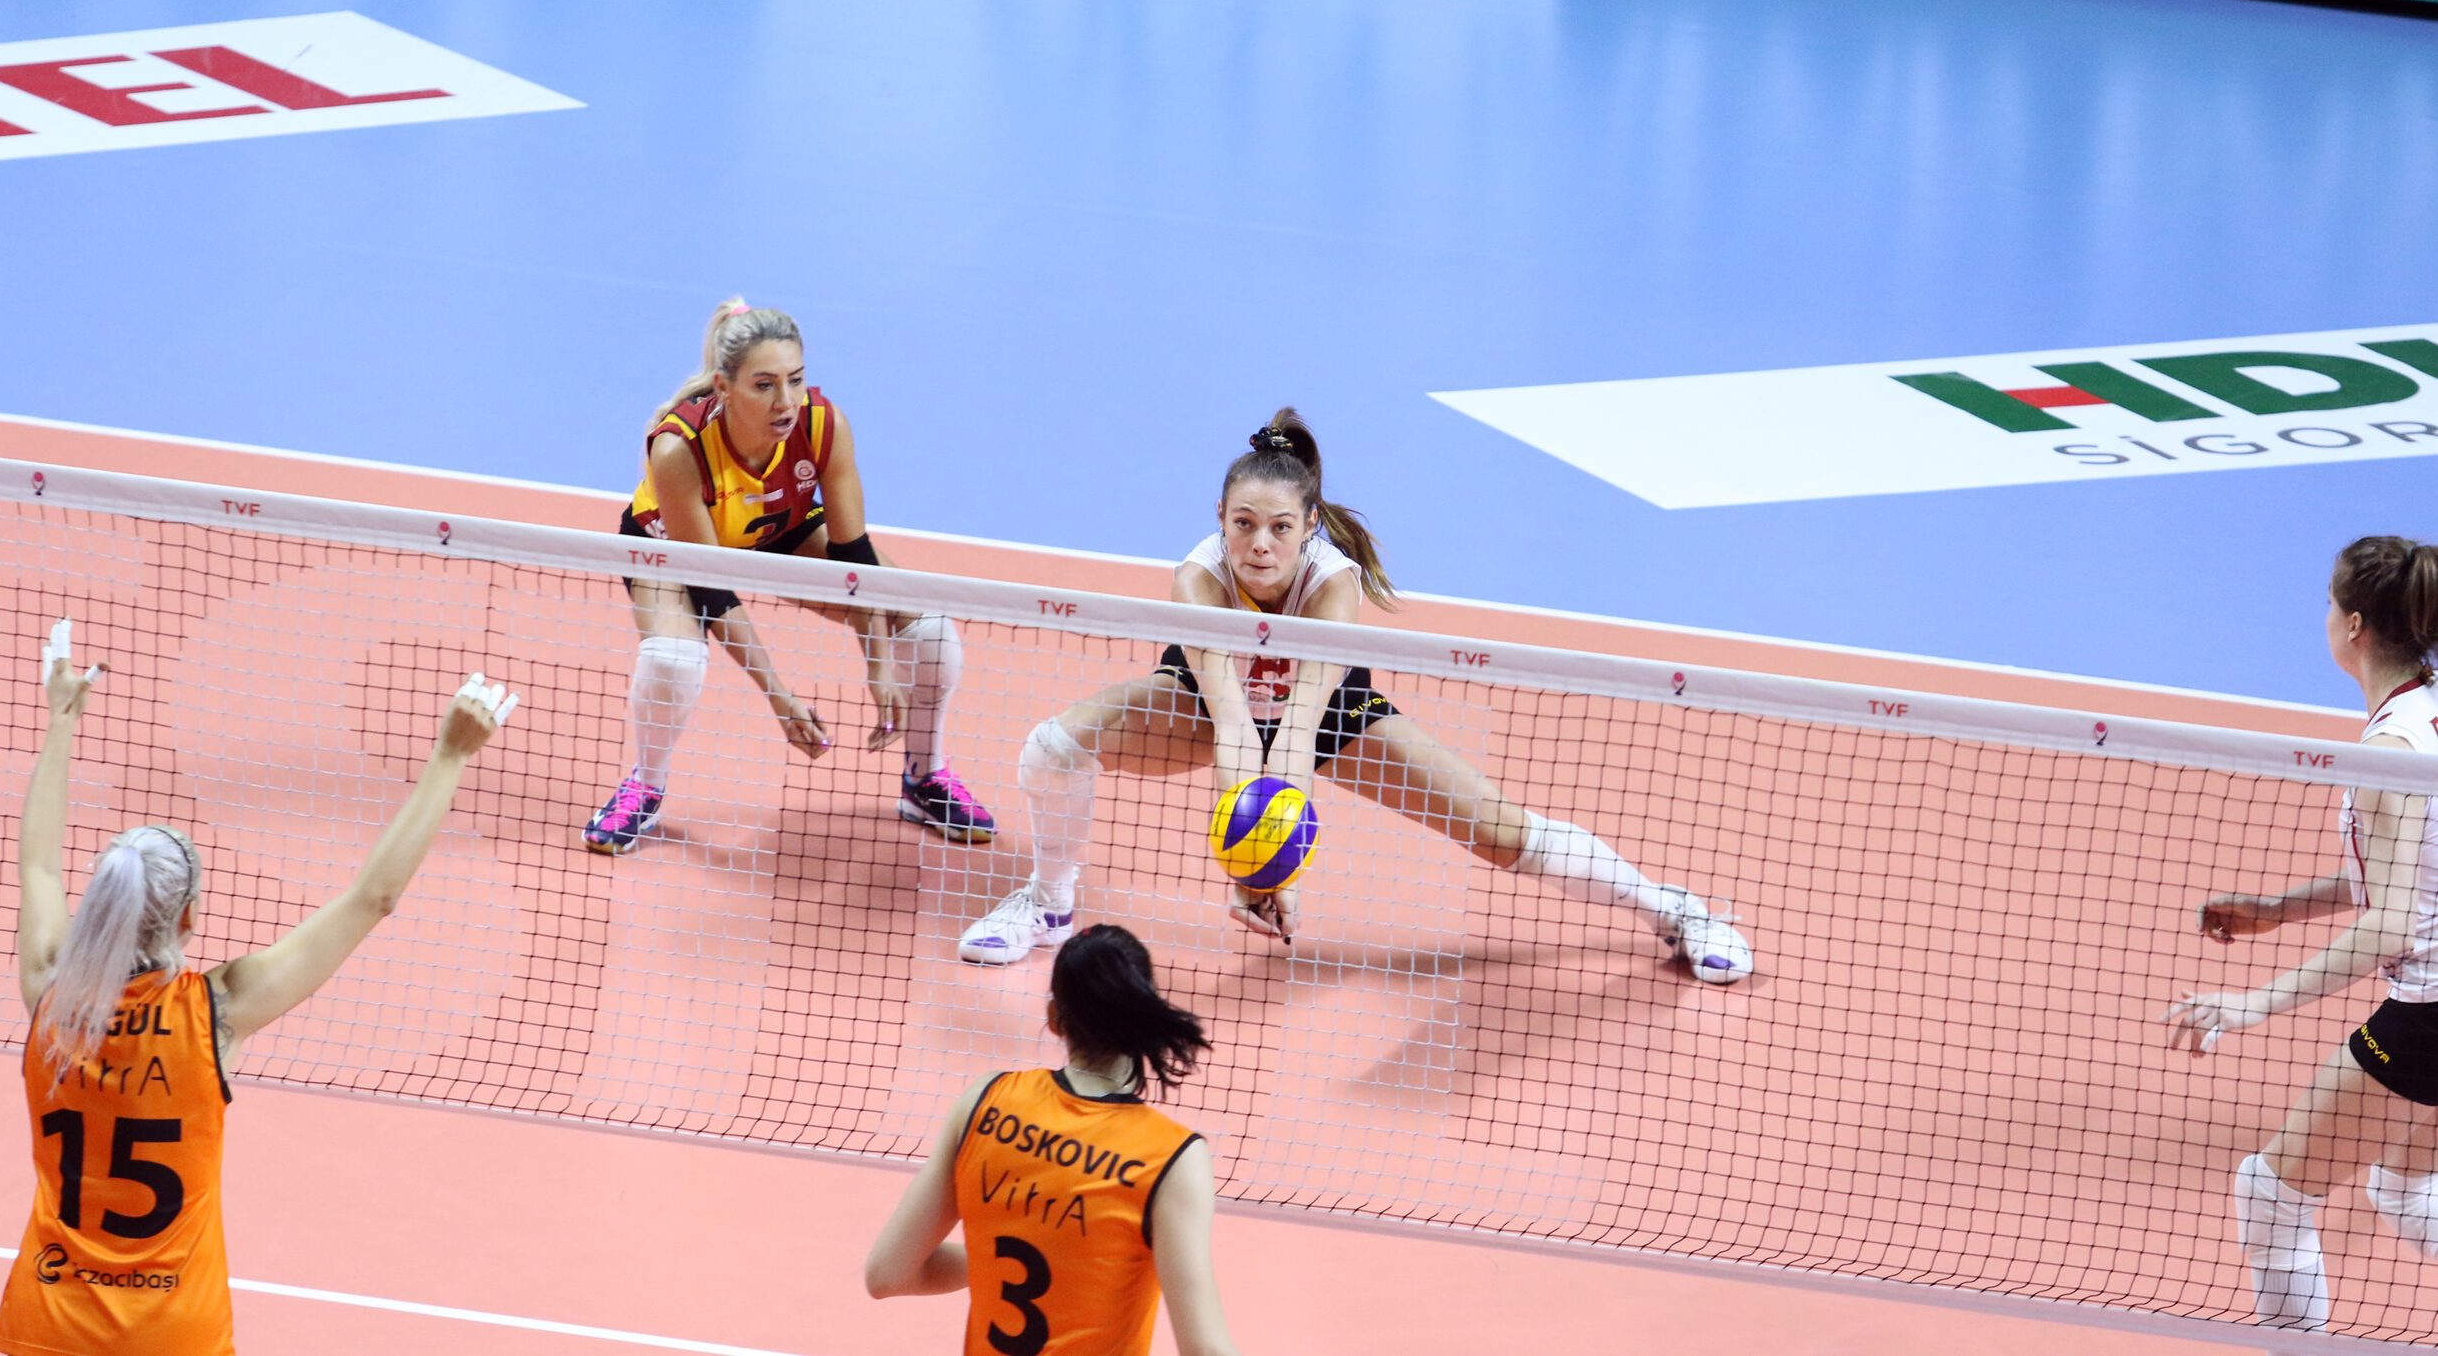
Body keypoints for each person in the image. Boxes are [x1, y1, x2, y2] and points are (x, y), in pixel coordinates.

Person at [955, 407, 1752, 982]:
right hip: (1204, 705)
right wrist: (1251, 863)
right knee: (1053, 746)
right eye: (1243, 523)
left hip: (1327, 716)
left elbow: (1297, 730)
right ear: (1219, 517)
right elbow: (1234, 723)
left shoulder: (1333, 585)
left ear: (1309, 526)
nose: (1258, 544)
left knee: (1500, 831)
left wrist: (1273, 865)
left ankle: (1675, 907)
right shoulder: (1198, 578)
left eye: (1278, 527)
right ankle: (1048, 903)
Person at [0, 621, 515, 1356]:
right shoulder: (217, 1011)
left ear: (99, 905)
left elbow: (39, 867)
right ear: (189, 917)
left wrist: (61, 719)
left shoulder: (50, 992)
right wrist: (450, 756)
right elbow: (373, 898)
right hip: (174, 1335)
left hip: (50, 1322)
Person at [584, 297, 993, 853]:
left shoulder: (823, 425)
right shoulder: (679, 448)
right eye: (764, 385)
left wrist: (878, 663)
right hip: (671, 550)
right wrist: (778, 695)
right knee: (672, 661)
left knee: (930, 633)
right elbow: (712, 586)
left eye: (795, 380)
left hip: (781, 528)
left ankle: (925, 777)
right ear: (724, 388)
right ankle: (646, 786)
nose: (786, 402)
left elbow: (855, 557)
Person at [2166, 536, 2438, 1335]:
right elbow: (2415, 869)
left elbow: (2391, 918)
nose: (2322, 615)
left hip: (2430, 1013)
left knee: (2270, 1190)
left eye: (2328, 602)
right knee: (2402, 1186)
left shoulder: (2389, 749)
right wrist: (2279, 908)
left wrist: (2254, 1002)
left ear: (2354, 625)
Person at [865, 923, 1242, 1356]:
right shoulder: (1170, 1159)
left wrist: (990, 1262)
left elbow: (887, 1274)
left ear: (1054, 1018)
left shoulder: (984, 1103)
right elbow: (1207, 1350)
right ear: (1146, 1015)